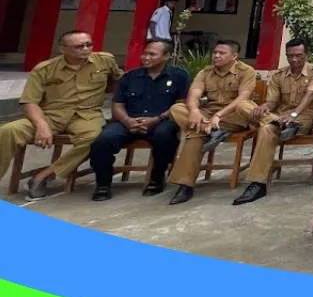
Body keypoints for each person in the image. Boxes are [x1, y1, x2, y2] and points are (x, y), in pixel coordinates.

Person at [0, 31, 121, 199]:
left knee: (96, 139)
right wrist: (41, 126)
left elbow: (120, 81)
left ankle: (43, 176)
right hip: (50, 115)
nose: (86, 49)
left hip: (87, 115)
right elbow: (29, 102)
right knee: (8, 130)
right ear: (63, 49)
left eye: (89, 44)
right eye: (79, 46)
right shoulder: (45, 69)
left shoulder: (105, 60)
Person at [167, 39, 276, 205]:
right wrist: (195, 111)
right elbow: (194, 94)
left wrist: (219, 115)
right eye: (215, 52)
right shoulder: (205, 72)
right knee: (178, 110)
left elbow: (242, 97)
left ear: (234, 56)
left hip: (233, 117)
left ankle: (208, 133)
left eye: (222, 53)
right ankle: (186, 184)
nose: (216, 56)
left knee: (241, 105)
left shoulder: (246, 71)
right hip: (208, 116)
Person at [227, 39, 313, 205]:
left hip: (302, 119)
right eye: (290, 56)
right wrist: (264, 107)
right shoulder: (278, 75)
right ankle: (258, 184)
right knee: (245, 106)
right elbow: (273, 102)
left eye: (299, 56)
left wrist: (294, 115)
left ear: (306, 55)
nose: (294, 60)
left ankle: (257, 183)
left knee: (267, 128)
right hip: (278, 118)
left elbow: (310, 95)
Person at [88, 39, 188, 201]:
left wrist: (156, 119)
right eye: (145, 53)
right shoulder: (130, 77)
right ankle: (103, 184)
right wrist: (127, 121)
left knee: (165, 135)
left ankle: (156, 178)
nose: (146, 58)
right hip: (128, 121)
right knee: (103, 140)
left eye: (152, 54)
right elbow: (117, 104)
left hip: (161, 121)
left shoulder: (179, 76)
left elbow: (180, 104)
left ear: (166, 56)